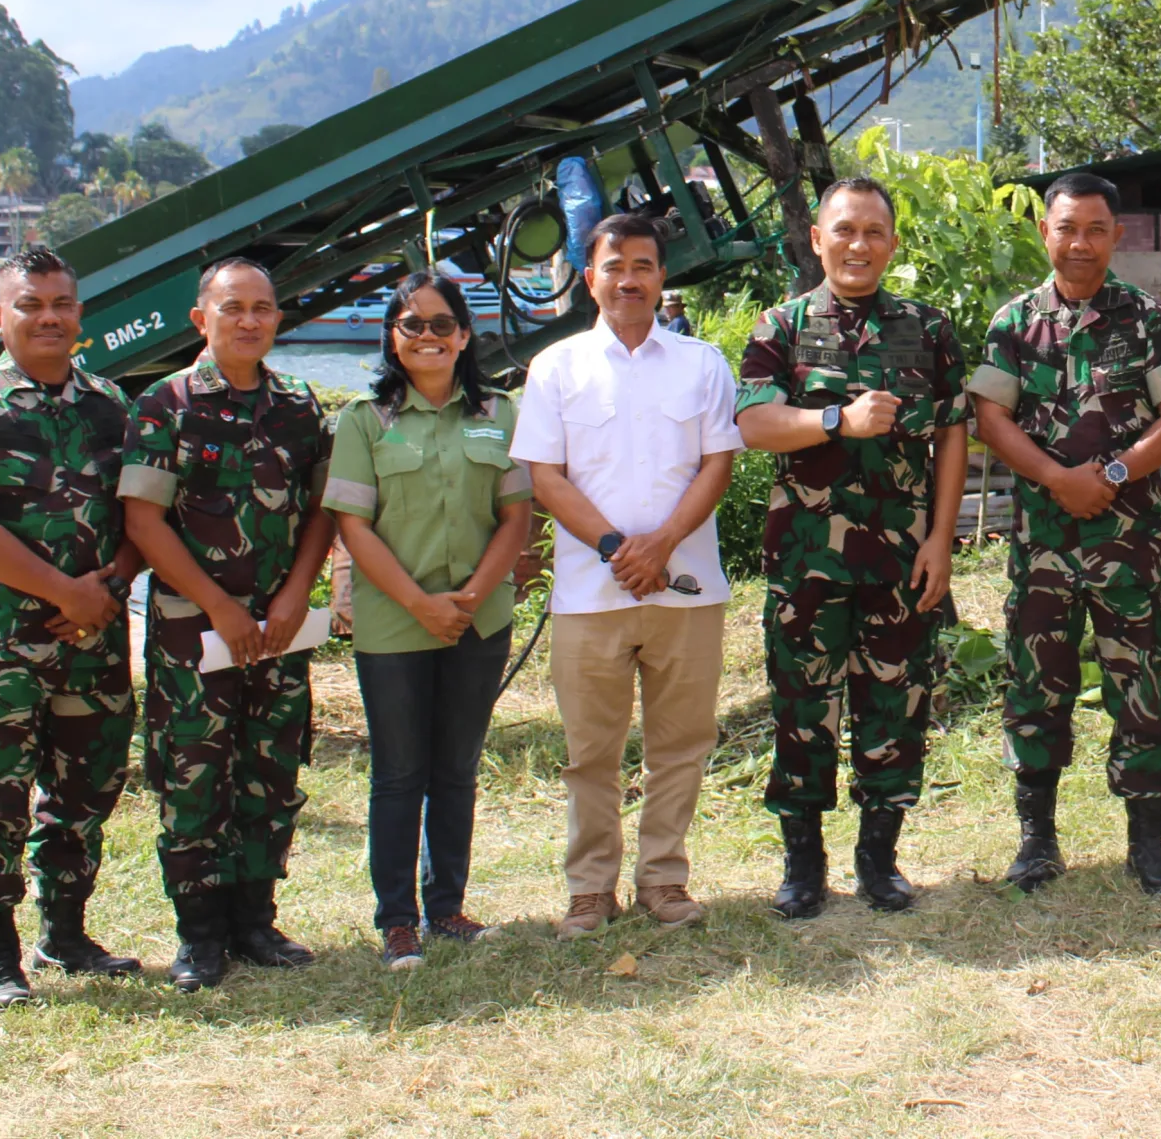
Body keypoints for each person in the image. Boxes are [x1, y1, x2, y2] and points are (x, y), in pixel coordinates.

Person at [735, 178, 969, 918]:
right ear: (817, 237)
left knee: (896, 703)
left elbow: (954, 430)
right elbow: (754, 424)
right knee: (802, 705)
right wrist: (838, 418)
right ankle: (803, 862)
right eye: (844, 230)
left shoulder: (926, 328)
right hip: (807, 560)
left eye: (874, 231)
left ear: (892, 243)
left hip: (902, 557)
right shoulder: (783, 324)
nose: (858, 244)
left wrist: (941, 536)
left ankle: (880, 857)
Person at [967, 172, 1161, 896]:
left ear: (1115, 235)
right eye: (1067, 227)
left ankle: (1148, 843)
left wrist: (1114, 470)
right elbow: (990, 418)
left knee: (1140, 683)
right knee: (1036, 683)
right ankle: (1037, 839)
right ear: (1046, 232)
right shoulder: (1014, 323)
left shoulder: (1147, 318)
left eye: (1095, 228)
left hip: (1128, 542)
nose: (1080, 242)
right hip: (1042, 540)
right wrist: (1056, 478)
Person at [511, 213, 742, 941]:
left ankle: (665, 878)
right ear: (590, 278)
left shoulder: (702, 363)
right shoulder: (556, 367)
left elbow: (718, 464)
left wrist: (662, 542)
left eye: (643, 265)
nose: (629, 279)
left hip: (688, 587)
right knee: (590, 753)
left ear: (661, 276)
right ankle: (589, 889)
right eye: (615, 266)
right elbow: (545, 475)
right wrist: (619, 547)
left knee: (682, 740)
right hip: (590, 594)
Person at [0, 247, 144, 1010]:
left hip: (94, 645)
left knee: (88, 790)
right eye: (30, 304)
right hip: (0, 648)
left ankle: (66, 932)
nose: (48, 316)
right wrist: (65, 592)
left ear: (81, 314)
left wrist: (110, 585)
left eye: (61, 302)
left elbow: (145, 514)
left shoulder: (113, 406)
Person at [122, 256, 336, 991]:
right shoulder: (165, 405)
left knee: (271, 772)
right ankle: (200, 933)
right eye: (233, 308)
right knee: (194, 778)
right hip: (195, 631)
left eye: (263, 308)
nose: (249, 320)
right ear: (201, 319)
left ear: (278, 318)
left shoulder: (301, 408)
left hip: (278, 632)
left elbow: (321, 514)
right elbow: (145, 522)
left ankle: (256, 919)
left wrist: (295, 594)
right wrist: (218, 604)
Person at [324, 273, 536, 971]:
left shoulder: (497, 413)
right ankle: (397, 920)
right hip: (395, 624)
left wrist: (471, 596)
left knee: (456, 766)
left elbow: (516, 517)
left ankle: (446, 904)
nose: (427, 336)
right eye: (411, 323)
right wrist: (422, 604)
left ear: (464, 336)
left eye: (442, 324)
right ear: (392, 335)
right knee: (398, 771)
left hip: (479, 619)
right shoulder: (364, 418)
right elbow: (352, 525)